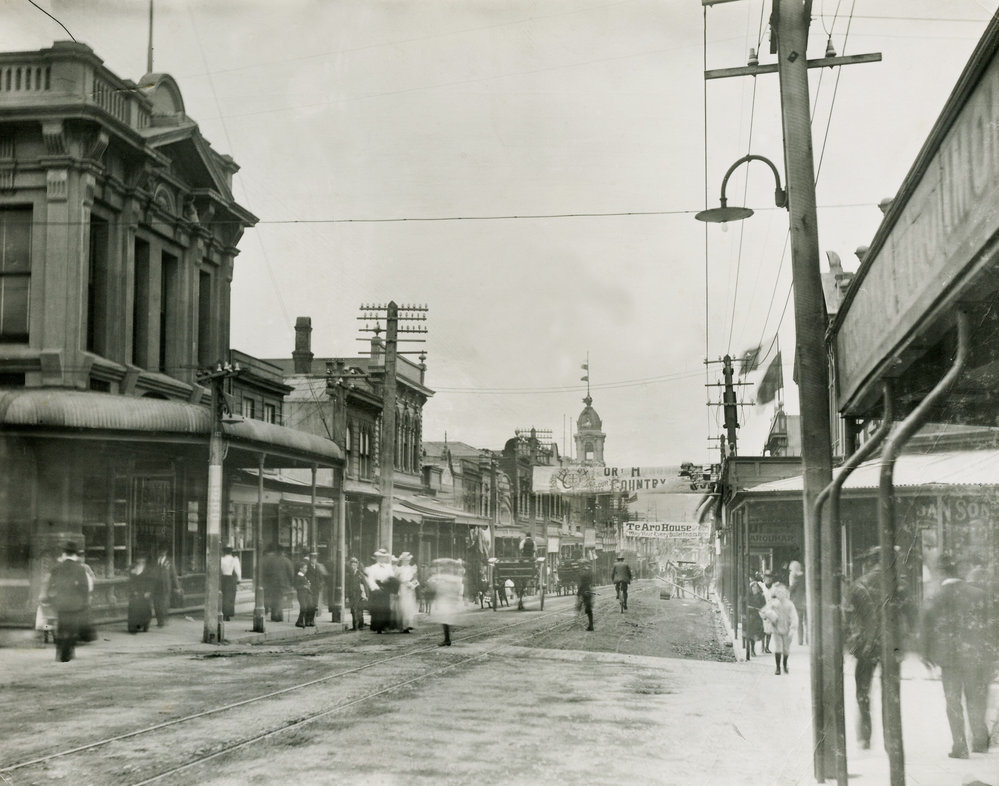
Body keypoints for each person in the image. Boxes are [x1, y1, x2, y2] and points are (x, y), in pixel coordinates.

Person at [919, 553, 992, 758]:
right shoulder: (978, 594)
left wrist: (926, 654)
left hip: (949, 660)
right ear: (959, 571)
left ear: (941, 572)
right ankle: (980, 741)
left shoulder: (934, 597)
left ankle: (960, 746)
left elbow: (925, 628)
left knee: (953, 701)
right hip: (975, 656)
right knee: (975, 699)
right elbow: (991, 626)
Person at [845, 547, 885, 749]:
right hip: (890, 645)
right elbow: (911, 614)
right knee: (890, 692)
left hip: (866, 646)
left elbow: (848, 617)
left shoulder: (859, 585)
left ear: (869, 562)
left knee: (863, 691)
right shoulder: (898, 583)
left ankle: (866, 736)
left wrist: (851, 643)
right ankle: (891, 739)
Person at [43, 542, 92, 662]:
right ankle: (69, 651)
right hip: (75, 604)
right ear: (75, 554)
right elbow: (84, 588)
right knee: (72, 628)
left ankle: (60, 652)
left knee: (61, 627)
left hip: (60, 604)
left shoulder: (56, 568)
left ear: (64, 554)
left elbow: (50, 586)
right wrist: (85, 601)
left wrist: (50, 600)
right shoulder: (80, 569)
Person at [760, 583, 797, 675]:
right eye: (778, 592)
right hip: (776, 628)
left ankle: (784, 664)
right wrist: (768, 615)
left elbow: (794, 617)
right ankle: (778, 668)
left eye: (782, 592)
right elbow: (763, 611)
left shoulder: (789, 604)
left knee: (786, 648)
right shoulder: (773, 603)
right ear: (776, 593)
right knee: (778, 647)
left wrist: (793, 628)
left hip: (787, 629)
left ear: (786, 593)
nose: (780, 594)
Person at [426, 557, 465, 646]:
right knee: (445, 619)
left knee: (446, 619)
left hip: (448, 600)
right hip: (444, 599)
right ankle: (447, 639)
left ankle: (447, 639)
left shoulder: (451, 578)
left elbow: (455, 588)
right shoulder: (445, 577)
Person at [149, 546, 182, 628]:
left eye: (164, 551)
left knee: (164, 603)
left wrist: (177, 587)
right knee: (156, 603)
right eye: (160, 551)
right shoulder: (155, 561)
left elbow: (173, 575)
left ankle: (163, 620)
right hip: (156, 586)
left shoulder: (169, 561)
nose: (162, 552)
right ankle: (159, 621)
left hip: (165, 586)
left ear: (166, 552)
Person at [365, 548, 395, 633]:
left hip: (386, 589)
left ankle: (385, 626)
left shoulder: (388, 567)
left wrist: (388, 585)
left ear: (385, 558)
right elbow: (370, 580)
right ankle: (378, 627)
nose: (382, 559)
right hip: (377, 590)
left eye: (384, 557)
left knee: (385, 608)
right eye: (380, 557)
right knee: (377, 609)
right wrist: (376, 588)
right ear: (377, 558)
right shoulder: (373, 568)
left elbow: (392, 577)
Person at [261, 543, 293, 622]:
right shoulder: (286, 560)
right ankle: (277, 615)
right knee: (279, 599)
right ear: (283, 552)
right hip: (282, 584)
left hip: (271, 584)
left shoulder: (270, 560)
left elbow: (266, 572)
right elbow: (291, 573)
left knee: (274, 599)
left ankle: (275, 615)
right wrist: (291, 583)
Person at [396, 552, 419, 633]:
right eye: (405, 560)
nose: (406, 561)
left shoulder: (412, 568)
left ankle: (409, 624)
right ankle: (403, 625)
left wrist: (412, 584)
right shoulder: (399, 569)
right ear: (402, 561)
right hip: (402, 588)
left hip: (410, 589)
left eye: (408, 560)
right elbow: (397, 579)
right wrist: (403, 583)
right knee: (403, 606)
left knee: (410, 606)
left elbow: (415, 579)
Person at [345, 557, 368, 630]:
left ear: (357, 565)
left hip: (359, 595)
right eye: (352, 565)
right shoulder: (349, 575)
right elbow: (347, 586)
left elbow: (365, 585)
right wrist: (346, 596)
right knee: (353, 610)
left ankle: (360, 625)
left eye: (355, 565)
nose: (353, 567)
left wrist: (366, 595)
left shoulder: (360, 574)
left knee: (359, 610)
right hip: (352, 595)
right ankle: (355, 626)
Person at [220, 545, 241, 621]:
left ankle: (222, 612)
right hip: (231, 579)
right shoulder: (234, 559)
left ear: (224, 552)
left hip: (223, 578)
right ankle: (228, 614)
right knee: (230, 597)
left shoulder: (221, 559)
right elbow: (238, 570)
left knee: (223, 596)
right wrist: (239, 579)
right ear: (231, 552)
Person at [745, 580, 766, 656]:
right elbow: (745, 605)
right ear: (751, 588)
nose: (755, 588)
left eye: (756, 587)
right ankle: (752, 649)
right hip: (750, 616)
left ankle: (762, 646)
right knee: (751, 633)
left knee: (759, 631)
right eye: (753, 587)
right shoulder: (748, 596)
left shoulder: (761, 596)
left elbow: (764, 605)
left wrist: (761, 610)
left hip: (758, 616)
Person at [294, 557, 315, 628]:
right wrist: (304, 586)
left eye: (306, 568)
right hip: (301, 594)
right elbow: (296, 586)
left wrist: (308, 585)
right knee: (303, 607)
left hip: (307, 594)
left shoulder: (303, 576)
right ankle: (299, 622)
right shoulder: (298, 576)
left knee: (311, 606)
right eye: (305, 568)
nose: (306, 569)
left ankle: (308, 621)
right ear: (301, 569)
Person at [759, 571, 776, 653]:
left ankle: (767, 647)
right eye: (767, 578)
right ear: (764, 579)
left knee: (769, 629)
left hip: (771, 610)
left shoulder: (774, 588)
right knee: (762, 629)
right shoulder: (761, 587)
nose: (768, 579)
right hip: (762, 610)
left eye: (770, 578)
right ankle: (762, 646)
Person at [577, 565, 595, 631]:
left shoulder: (583, 576)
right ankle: (591, 625)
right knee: (589, 609)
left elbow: (582, 585)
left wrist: (578, 593)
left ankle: (591, 626)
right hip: (589, 592)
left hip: (585, 593)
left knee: (587, 609)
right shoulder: (590, 576)